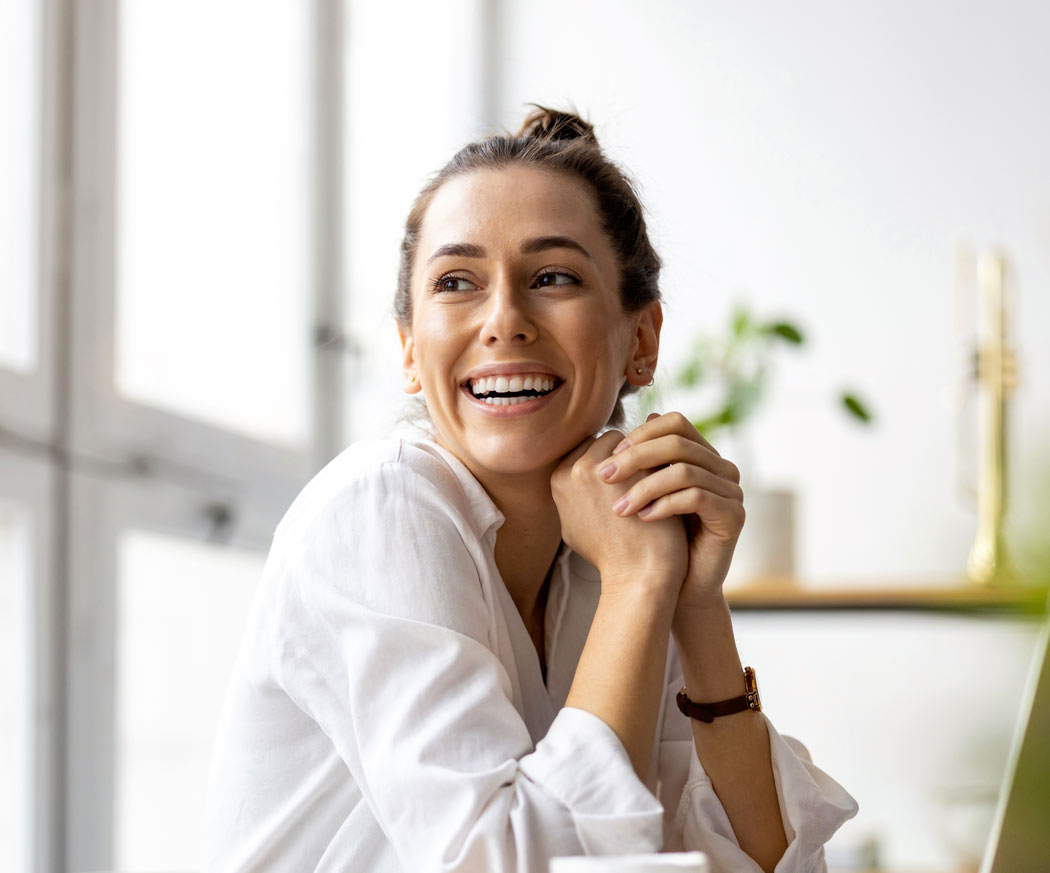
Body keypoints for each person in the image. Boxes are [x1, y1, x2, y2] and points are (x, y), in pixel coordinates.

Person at [203, 105, 857, 873]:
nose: (504, 319)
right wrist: (642, 582)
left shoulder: (610, 548)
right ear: (411, 349)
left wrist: (694, 604)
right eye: (457, 282)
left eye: (553, 277)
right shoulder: (381, 510)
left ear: (640, 341)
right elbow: (508, 863)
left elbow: (770, 861)